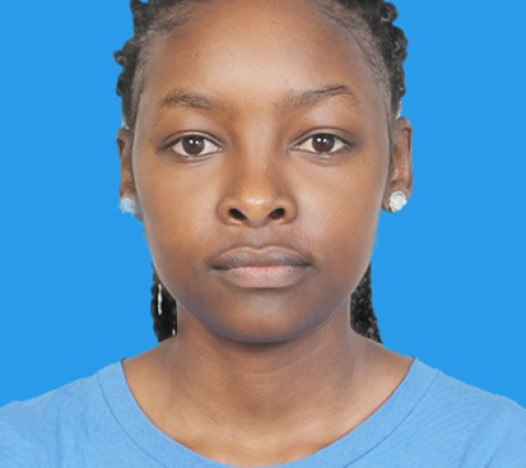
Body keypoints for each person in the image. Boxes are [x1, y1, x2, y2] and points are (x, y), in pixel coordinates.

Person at [1, 0, 525, 466]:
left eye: (322, 141)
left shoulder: (495, 450)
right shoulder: (27, 450)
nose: (255, 199)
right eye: (193, 143)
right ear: (128, 172)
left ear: (398, 163)